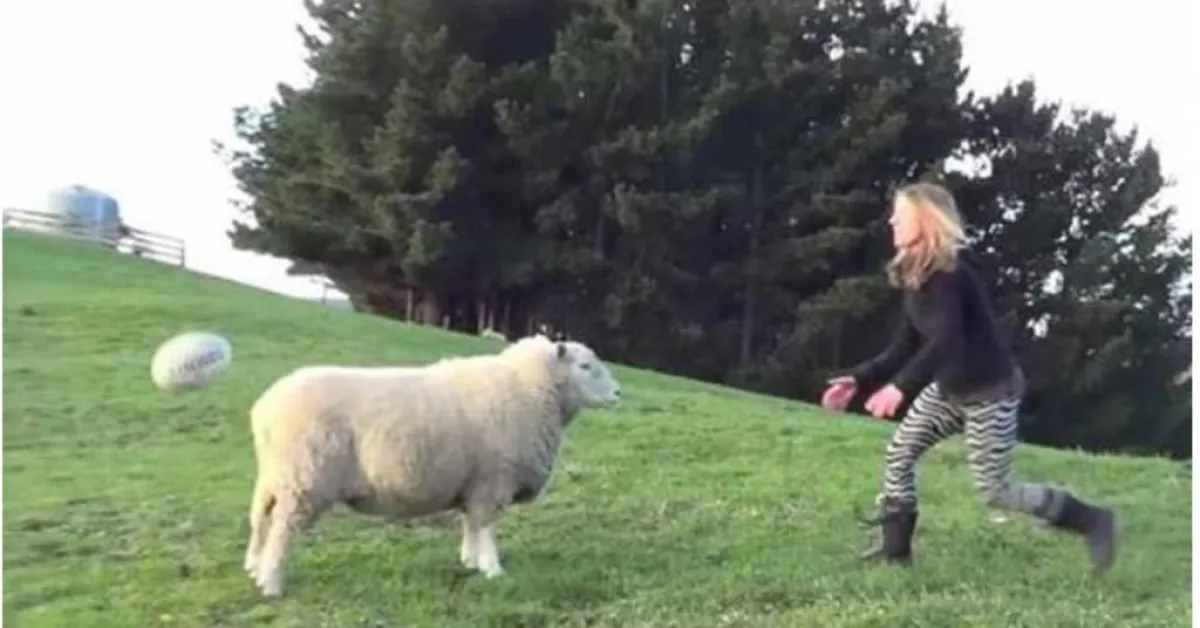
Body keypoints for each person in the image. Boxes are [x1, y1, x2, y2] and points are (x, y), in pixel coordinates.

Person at [820, 181, 1118, 574]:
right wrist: (860, 379)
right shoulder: (916, 272)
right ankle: (895, 554)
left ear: (927, 220)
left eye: (901, 215)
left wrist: (899, 387)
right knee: (899, 454)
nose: (891, 221)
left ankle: (1093, 519)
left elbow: (946, 340)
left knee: (996, 491)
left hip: (989, 392)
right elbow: (907, 343)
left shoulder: (951, 275)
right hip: (948, 390)